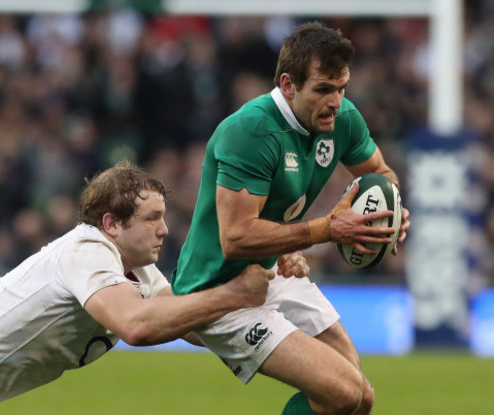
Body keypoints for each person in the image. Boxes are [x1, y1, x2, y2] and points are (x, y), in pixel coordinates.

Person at [0, 162, 313, 415]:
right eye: (153, 218)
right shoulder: (86, 250)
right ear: (111, 223)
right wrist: (236, 294)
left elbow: (187, 322)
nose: (165, 231)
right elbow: (137, 326)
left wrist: (265, 271)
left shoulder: (140, 272)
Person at [171, 21, 411, 415]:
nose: (335, 101)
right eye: (322, 90)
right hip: (215, 291)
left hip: (272, 270)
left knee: (360, 398)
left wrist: (393, 211)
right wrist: (325, 230)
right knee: (343, 393)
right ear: (288, 84)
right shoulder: (251, 131)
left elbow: (381, 174)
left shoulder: (342, 121)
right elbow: (235, 238)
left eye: (341, 88)